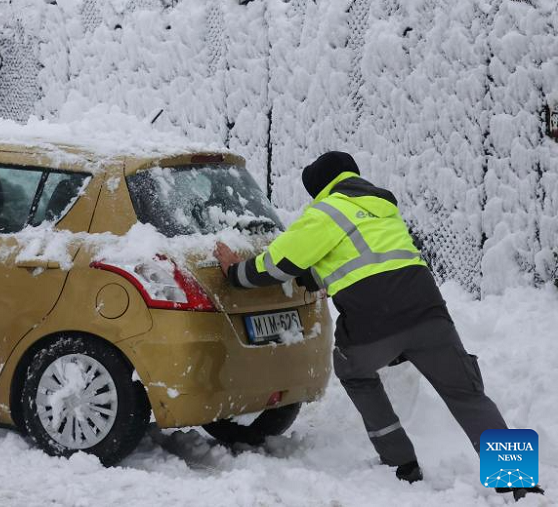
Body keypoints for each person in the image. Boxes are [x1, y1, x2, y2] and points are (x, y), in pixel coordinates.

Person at [213, 152, 543, 501]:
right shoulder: (382, 208)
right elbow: (357, 257)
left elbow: (278, 264)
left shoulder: (326, 212)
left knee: (352, 370)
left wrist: (236, 272)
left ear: (319, 188)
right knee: (469, 394)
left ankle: (401, 463)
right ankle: (519, 481)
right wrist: (315, 278)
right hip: (430, 314)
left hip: (373, 322)